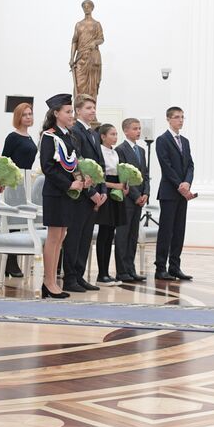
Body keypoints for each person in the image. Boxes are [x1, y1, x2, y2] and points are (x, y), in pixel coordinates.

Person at [38, 93, 87, 298]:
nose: (70, 115)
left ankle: (52, 281)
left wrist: (82, 179)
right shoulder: (49, 136)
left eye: (71, 112)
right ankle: (48, 282)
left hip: (68, 193)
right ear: (56, 113)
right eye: (67, 112)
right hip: (55, 193)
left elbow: (72, 163)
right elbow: (48, 167)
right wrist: (69, 184)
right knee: (53, 237)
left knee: (61, 236)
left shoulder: (69, 135)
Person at [63, 93, 107, 292]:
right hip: (82, 194)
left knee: (85, 237)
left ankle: (79, 275)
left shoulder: (94, 133)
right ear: (78, 110)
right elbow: (78, 164)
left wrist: (103, 190)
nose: (93, 111)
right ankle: (70, 278)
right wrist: (91, 192)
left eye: (94, 108)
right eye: (88, 108)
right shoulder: (76, 132)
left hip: (95, 194)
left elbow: (100, 164)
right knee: (75, 236)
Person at [154, 106, 195, 281]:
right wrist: (180, 185)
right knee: (166, 231)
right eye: (177, 117)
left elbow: (190, 165)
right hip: (169, 192)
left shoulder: (184, 141)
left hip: (182, 193)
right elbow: (166, 166)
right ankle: (160, 267)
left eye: (182, 117)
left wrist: (187, 182)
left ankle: (175, 267)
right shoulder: (162, 140)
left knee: (179, 230)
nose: (180, 120)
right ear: (168, 119)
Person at [0, 102, 37, 278]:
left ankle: (15, 261)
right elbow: (5, 161)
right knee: (14, 222)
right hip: (15, 183)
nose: (28, 117)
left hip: (26, 181)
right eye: (25, 114)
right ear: (18, 117)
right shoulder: (13, 137)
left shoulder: (29, 137)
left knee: (23, 221)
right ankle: (11, 263)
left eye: (30, 114)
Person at [93, 123, 130, 284]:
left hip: (117, 193)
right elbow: (100, 178)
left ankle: (107, 272)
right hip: (106, 192)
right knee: (104, 233)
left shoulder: (115, 152)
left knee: (110, 234)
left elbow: (119, 173)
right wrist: (115, 186)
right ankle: (101, 273)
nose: (115, 137)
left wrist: (125, 185)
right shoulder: (99, 151)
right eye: (112, 134)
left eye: (116, 134)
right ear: (103, 136)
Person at [115, 118, 149, 283]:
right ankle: (121, 271)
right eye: (135, 128)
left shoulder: (141, 150)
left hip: (140, 199)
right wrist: (136, 196)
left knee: (133, 235)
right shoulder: (120, 150)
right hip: (128, 200)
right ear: (126, 131)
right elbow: (124, 175)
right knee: (123, 235)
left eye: (139, 128)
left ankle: (131, 268)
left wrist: (146, 194)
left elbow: (145, 175)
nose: (138, 131)